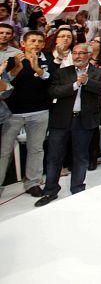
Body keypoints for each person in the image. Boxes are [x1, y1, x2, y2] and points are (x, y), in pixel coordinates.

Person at [35, 43, 101, 207]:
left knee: (80, 157)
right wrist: (74, 85)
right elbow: (53, 92)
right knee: (54, 157)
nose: (77, 56)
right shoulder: (62, 72)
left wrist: (87, 81)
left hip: (84, 120)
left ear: (89, 55)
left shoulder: (99, 72)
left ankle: (78, 190)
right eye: (75, 53)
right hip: (61, 120)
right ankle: (50, 191)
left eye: (81, 53)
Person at [0, 31, 57, 198]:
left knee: (36, 149)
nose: (36, 44)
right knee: (4, 151)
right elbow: (4, 84)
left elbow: (52, 82)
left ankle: (33, 183)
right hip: (13, 114)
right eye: (32, 41)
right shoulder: (13, 60)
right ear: (23, 44)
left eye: (40, 41)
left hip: (40, 112)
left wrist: (37, 69)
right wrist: (17, 68)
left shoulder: (47, 60)